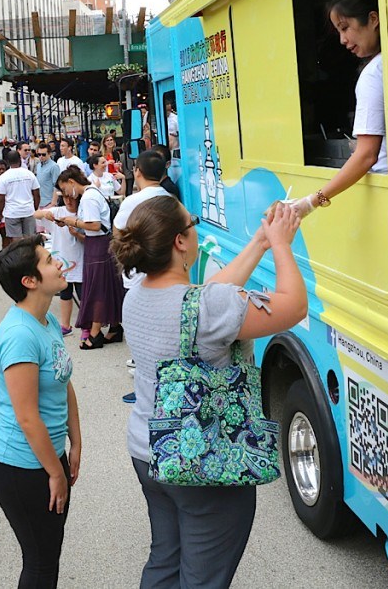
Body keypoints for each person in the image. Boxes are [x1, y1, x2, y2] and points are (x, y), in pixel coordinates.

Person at [111, 198, 306, 588]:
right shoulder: (208, 308)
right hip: (205, 462)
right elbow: (295, 307)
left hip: (150, 451)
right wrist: (283, 244)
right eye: (193, 223)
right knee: (203, 579)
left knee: (164, 560)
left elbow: (205, 296)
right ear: (180, 242)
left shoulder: (137, 296)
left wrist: (259, 244)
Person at [0, 235, 81, 589]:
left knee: (48, 555)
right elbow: (26, 417)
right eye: (48, 260)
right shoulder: (20, 335)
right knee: (40, 562)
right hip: (20, 466)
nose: (58, 262)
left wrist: (76, 443)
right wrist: (55, 474)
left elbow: (63, 381)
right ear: (30, 281)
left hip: (47, 458)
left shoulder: (47, 320)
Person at [295, 0, 386, 217]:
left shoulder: (374, 73)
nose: (343, 40)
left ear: (373, 19)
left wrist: (312, 202)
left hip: (385, 195)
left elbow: (366, 155)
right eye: (338, 32)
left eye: (345, 28)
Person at [55, 167, 124, 350]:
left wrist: (72, 221)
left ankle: (95, 334)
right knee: (107, 286)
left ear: (71, 182)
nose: (65, 194)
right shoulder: (93, 193)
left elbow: (94, 224)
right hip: (100, 244)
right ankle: (114, 326)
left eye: (64, 189)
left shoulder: (88, 197)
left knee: (97, 289)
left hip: (98, 246)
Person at [33, 190, 83, 336]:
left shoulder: (83, 213)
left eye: (72, 198)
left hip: (80, 260)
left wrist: (77, 233)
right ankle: (65, 325)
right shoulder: (57, 212)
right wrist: (44, 214)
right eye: (65, 198)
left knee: (83, 294)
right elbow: (35, 214)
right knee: (65, 294)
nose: (69, 201)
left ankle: (87, 325)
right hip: (62, 261)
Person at [0, 150, 41, 240]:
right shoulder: (29, 174)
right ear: (20, 160)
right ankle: (29, 254)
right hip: (28, 211)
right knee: (30, 240)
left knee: (16, 241)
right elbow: (37, 194)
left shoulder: (3, 177)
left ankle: (19, 254)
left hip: (12, 213)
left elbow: (1, 198)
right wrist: (35, 207)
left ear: (8, 162)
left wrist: (0, 213)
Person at [35, 143, 60, 212]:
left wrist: (53, 203)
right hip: (40, 202)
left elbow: (57, 185)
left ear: (49, 154)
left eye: (43, 154)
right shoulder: (38, 165)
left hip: (49, 202)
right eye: (39, 154)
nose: (41, 157)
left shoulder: (54, 166)